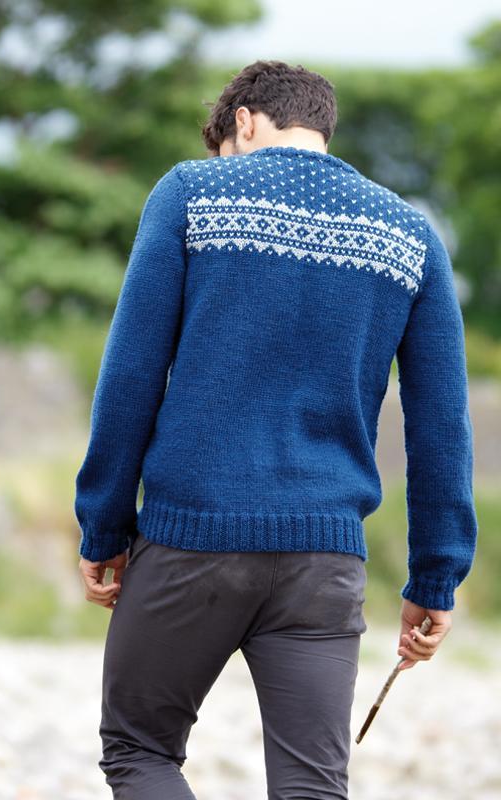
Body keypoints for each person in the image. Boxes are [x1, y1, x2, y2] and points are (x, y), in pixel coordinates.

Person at [74, 59, 478, 799]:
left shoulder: (191, 193)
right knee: (313, 786)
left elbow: (130, 375)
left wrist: (102, 529)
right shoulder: (410, 235)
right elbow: (441, 423)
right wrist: (436, 575)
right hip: (324, 561)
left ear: (244, 122)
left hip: (191, 537)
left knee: (139, 749)